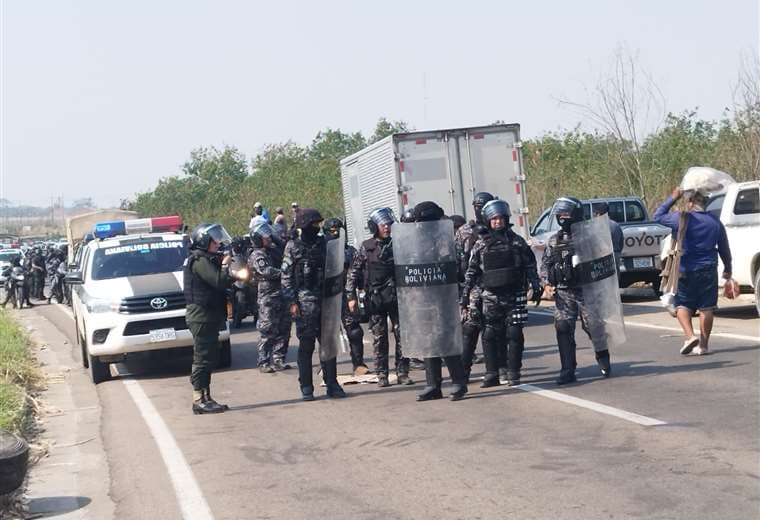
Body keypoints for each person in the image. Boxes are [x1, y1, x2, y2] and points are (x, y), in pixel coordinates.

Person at [461, 199, 541, 387]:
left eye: (500, 218)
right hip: (490, 296)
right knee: (489, 334)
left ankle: (513, 371)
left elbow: (530, 264)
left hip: (514, 294)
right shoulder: (481, 244)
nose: (497, 222)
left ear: (506, 219)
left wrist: (536, 285)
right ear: (488, 221)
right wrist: (465, 294)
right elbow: (472, 271)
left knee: (514, 333)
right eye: (494, 219)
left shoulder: (517, 242)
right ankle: (492, 373)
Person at [541, 197, 612, 384]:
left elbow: (604, 261)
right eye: (560, 214)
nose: (563, 217)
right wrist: (547, 284)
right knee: (563, 328)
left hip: (587, 290)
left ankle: (603, 357)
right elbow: (545, 266)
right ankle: (567, 369)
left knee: (594, 327)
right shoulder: (553, 240)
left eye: (567, 213)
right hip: (563, 292)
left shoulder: (590, 237)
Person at [654, 187, 732, 355]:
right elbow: (724, 249)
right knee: (707, 307)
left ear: (691, 203)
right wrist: (728, 270)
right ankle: (703, 345)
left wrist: (673, 197)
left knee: (682, 305)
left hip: (686, 269)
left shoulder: (682, 219)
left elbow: (658, 216)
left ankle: (690, 336)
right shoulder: (715, 222)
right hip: (709, 269)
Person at [282, 209, 347, 401]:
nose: (317, 228)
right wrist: (292, 302)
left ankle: (332, 384)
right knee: (306, 345)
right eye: (313, 225)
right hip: (304, 302)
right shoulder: (293, 247)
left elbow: (336, 268)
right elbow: (285, 277)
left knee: (328, 344)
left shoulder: (324, 244)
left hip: (326, 300)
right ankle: (306, 387)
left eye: (319, 225)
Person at [407, 201, 468, 401]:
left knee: (446, 339)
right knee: (428, 340)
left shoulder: (447, 239)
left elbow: (457, 267)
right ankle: (433, 385)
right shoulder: (415, 241)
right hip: (423, 297)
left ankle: (458, 382)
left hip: (444, 296)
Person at [346, 208, 413, 388]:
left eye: (389, 224)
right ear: (375, 226)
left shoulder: (399, 244)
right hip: (376, 299)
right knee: (380, 338)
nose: (387, 227)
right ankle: (382, 374)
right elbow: (353, 272)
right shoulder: (366, 247)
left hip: (398, 297)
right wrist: (351, 296)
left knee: (402, 336)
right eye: (383, 225)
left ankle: (402, 372)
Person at [184, 222, 244, 414]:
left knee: (209, 358)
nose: (218, 243)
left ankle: (206, 396)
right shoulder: (199, 260)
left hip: (209, 315)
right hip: (201, 316)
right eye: (213, 240)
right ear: (204, 241)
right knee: (202, 358)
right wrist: (226, 265)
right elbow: (218, 281)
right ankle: (198, 399)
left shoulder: (208, 259)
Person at [455, 192, 494, 380]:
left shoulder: (496, 226)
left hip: (494, 286)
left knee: (493, 330)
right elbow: (456, 259)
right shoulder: (463, 232)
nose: (480, 209)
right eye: (477, 205)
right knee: (469, 330)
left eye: (484, 205)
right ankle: (463, 372)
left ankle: (495, 370)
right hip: (472, 288)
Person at [323, 218, 368, 375]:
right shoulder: (321, 251)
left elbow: (357, 273)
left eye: (339, 230)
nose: (336, 234)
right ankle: (326, 368)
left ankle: (358, 364)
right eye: (333, 231)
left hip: (345, 295)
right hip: (327, 298)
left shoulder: (350, 252)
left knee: (354, 331)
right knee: (327, 334)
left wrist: (354, 294)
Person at [248, 220, 289, 373]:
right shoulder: (257, 255)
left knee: (283, 328)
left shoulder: (272, 250)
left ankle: (279, 358)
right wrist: (284, 273)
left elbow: (285, 255)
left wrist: (279, 242)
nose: (268, 238)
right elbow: (266, 271)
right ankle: (264, 361)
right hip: (268, 298)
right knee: (268, 329)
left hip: (281, 294)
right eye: (265, 237)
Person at [594, 202, 624, 271]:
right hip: (615, 254)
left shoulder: (595, 227)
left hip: (601, 257)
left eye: (595, 214)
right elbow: (621, 242)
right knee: (615, 278)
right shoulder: (616, 225)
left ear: (598, 214)